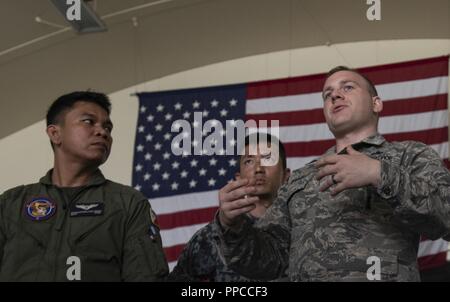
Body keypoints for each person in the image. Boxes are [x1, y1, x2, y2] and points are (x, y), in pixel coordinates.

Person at [217, 66, 450, 281]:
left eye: (347, 87)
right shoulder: (302, 178)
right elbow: (267, 261)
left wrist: (379, 173)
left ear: (376, 103)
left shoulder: (409, 156)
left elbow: (446, 216)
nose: (335, 96)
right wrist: (231, 226)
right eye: (327, 94)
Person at [0, 91, 169, 281]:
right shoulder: (11, 204)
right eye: (89, 122)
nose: (102, 132)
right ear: (55, 134)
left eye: (108, 128)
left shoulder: (128, 204)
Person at [169, 133, 290, 281]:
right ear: (238, 178)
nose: (259, 168)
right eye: (249, 161)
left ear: (286, 176)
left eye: (268, 158)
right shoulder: (211, 236)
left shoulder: (303, 230)